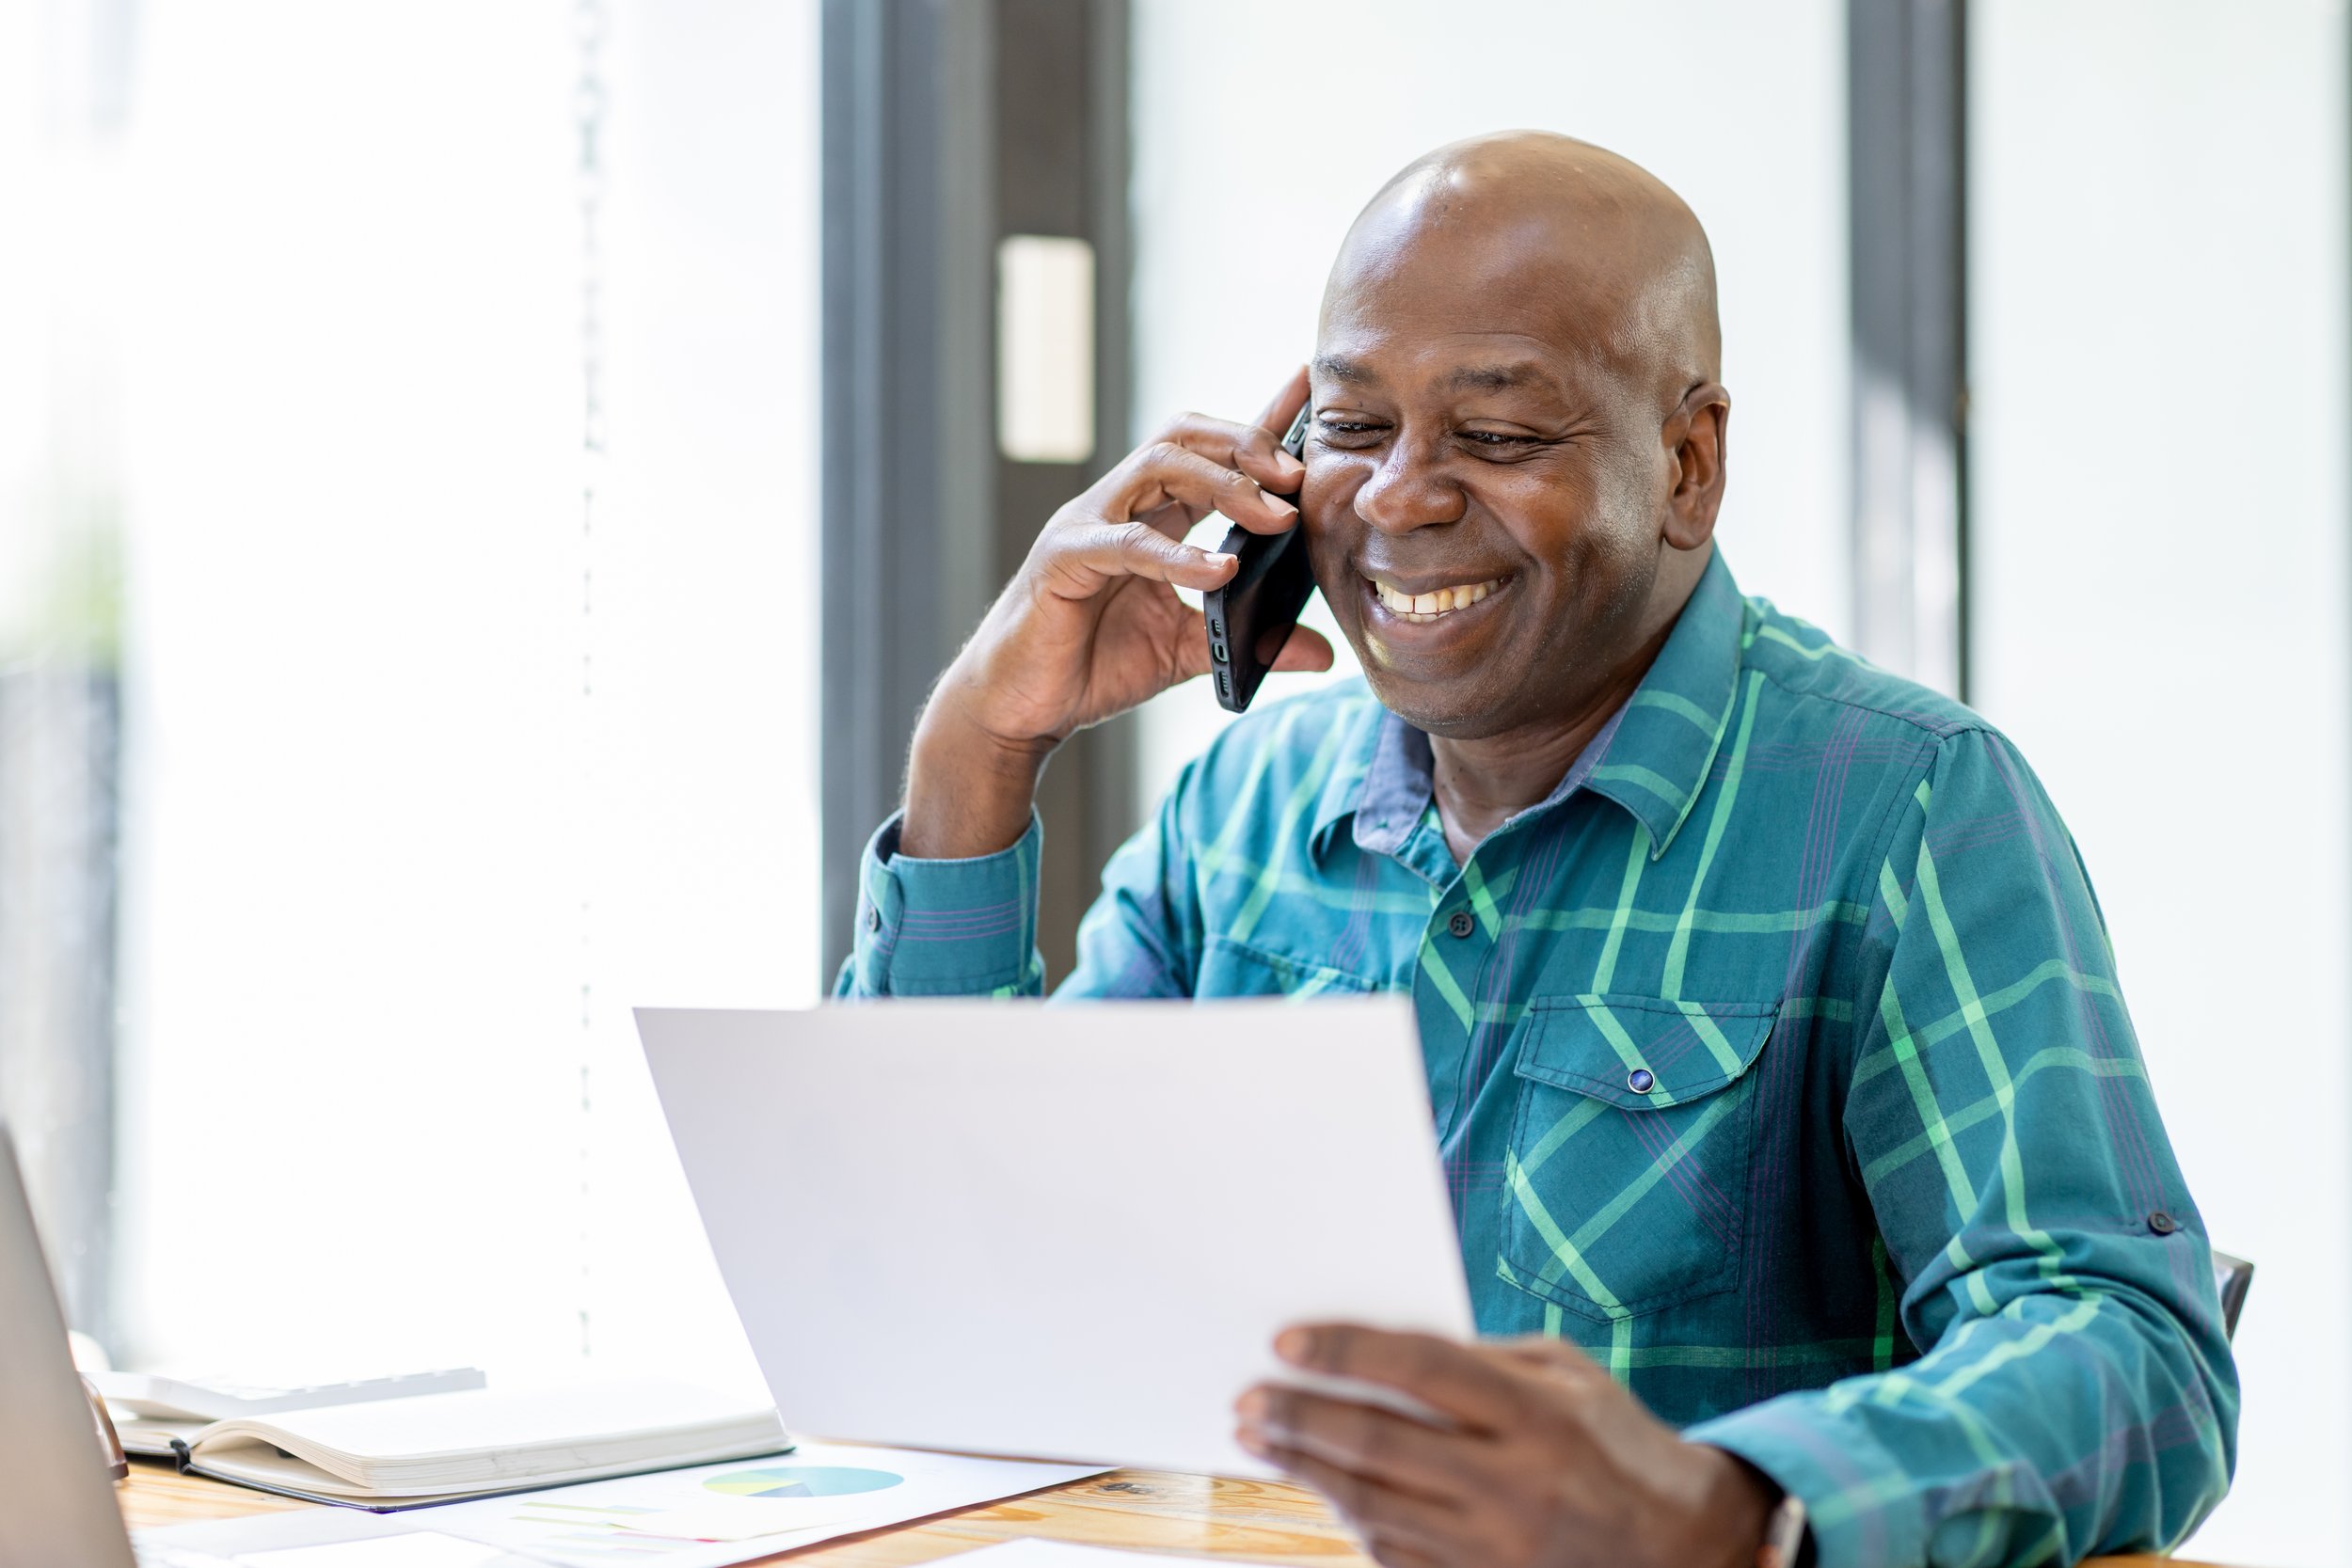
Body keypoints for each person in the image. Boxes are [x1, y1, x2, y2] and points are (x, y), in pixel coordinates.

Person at [836, 132, 2236, 1568]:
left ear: (1688, 465)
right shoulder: (1245, 817)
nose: (1398, 499)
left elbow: (2128, 1351)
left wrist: (1726, 1507)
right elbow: (960, 1283)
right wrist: (978, 755)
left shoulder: (1908, 811)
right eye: (1352, 427)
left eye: (1498, 438)